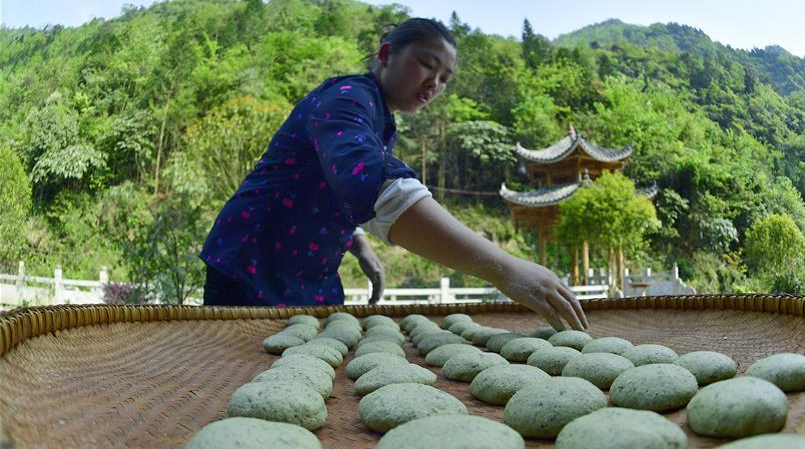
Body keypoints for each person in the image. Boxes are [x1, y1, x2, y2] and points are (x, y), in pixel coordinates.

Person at [200, 18, 587, 331]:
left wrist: (358, 243)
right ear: (387, 54)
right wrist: (505, 269)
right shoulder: (346, 97)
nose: (435, 83)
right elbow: (365, 180)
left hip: (309, 272)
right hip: (253, 266)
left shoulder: (380, 119)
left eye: (445, 77)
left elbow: (327, 185)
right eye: (426, 64)